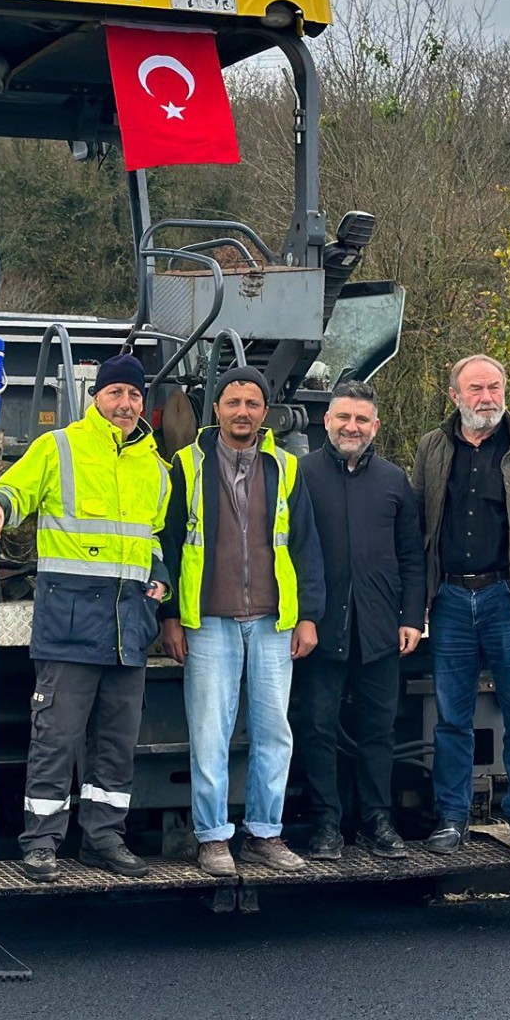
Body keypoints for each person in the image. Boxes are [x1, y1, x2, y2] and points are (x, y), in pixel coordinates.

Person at [0, 354, 172, 882]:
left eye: (134, 395)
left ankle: (104, 839)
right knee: (56, 739)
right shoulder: (57, 446)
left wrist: (160, 579)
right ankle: (41, 843)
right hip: (70, 624)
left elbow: (152, 537)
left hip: (129, 627)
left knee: (116, 744)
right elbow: (17, 488)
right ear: (95, 397)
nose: (125, 404)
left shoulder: (155, 466)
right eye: (115, 393)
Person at [159, 366, 324, 877]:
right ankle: (212, 839)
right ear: (216, 410)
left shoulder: (286, 467)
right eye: (233, 403)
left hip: (273, 622)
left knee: (275, 733)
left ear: (265, 412)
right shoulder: (187, 465)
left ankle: (264, 834)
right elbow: (167, 543)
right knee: (210, 735)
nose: (243, 412)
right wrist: (170, 616)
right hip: (208, 621)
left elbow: (305, 546)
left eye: (252, 404)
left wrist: (308, 617)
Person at [412, 353, 510, 857]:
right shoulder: (433, 447)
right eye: (476, 389)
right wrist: (416, 602)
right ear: (455, 395)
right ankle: (451, 818)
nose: (487, 398)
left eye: (494, 387)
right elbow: (417, 528)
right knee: (451, 718)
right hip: (450, 599)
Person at [290, 380, 425, 861]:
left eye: (361, 419)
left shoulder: (394, 480)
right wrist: (303, 616)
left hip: (380, 628)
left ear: (375, 426)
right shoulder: (300, 475)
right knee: (317, 726)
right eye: (344, 417)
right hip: (319, 628)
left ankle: (376, 820)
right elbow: (287, 551)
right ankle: (326, 822)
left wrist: (412, 616)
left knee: (378, 729)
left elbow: (412, 556)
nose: (352, 427)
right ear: (326, 421)